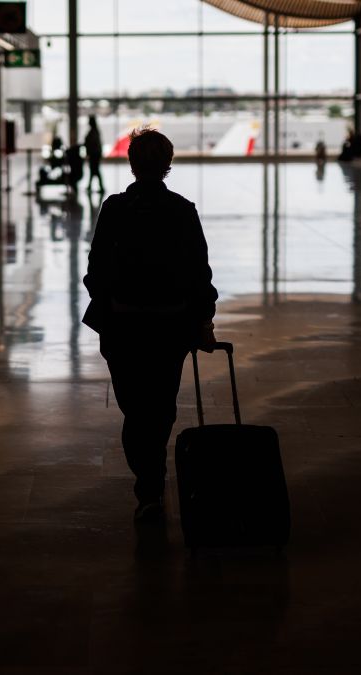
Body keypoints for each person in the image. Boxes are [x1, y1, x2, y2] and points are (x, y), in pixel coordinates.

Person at [82, 128, 218, 522]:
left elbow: (96, 268)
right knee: (160, 406)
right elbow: (199, 272)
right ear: (168, 164)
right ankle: (152, 481)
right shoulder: (182, 210)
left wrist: (107, 300)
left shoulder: (115, 209)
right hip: (169, 327)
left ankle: (149, 484)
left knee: (134, 406)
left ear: (132, 162)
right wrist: (203, 318)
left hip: (124, 327)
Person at [84, 115, 106, 194]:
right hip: (95, 154)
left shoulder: (93, 132)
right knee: (94, 170)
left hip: (94, 154)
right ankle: (93, 186)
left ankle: (100, 187)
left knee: (94, 170)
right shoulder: (95, 131)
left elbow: (91, 143)